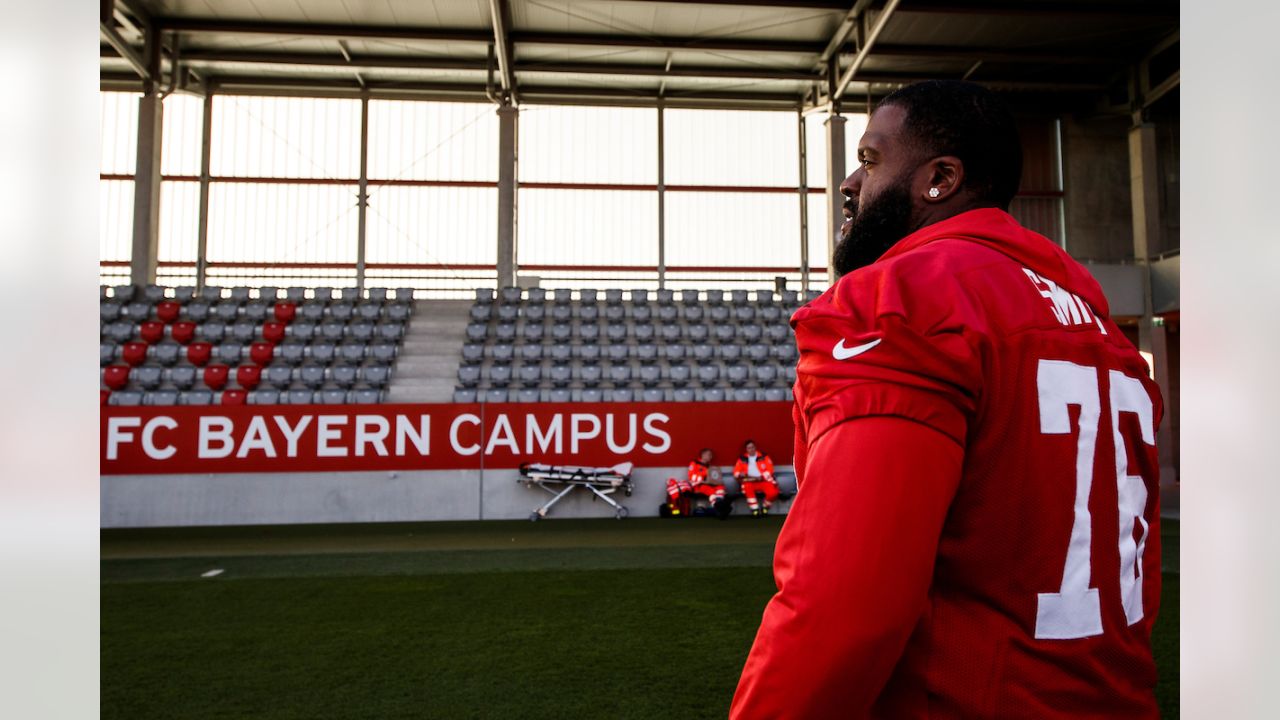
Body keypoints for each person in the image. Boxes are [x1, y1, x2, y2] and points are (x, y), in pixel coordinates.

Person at [732, 80, 1163, 718]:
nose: (851, 182)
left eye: (872, 160)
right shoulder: (1102, 330)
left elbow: (846, 606)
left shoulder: (905, 300)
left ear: (940, 179)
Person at [663, 448, 727, 517]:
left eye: (711, 455)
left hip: (709, 484)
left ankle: (720, 504)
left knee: (721, 487)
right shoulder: (694, 463)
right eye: (709, 455)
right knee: (710, 490)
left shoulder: (710, 467)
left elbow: (714, 477)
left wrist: (714, 480)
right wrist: (704, 477)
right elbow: (691, 477)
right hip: (699, 486)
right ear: (703, 455)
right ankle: (717, 508)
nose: (711, 457)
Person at [732, 440, 778, 517]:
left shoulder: (763, 456)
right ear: (746, 449)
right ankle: (755, 510)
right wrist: (741, 474)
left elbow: (770, 469)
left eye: (752, 447)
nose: (751, 449)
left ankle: (765, 507)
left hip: (763, 480)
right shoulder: (742, 459)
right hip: (749, 481)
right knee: (747, 488)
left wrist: (761, 477)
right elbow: (736, 473)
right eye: (749, 448)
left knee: (773, 493)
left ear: (755, 447)